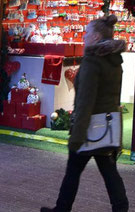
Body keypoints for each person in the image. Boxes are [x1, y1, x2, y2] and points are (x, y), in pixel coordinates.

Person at [41, 15, 129, 212]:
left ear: (96, 37)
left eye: (87, 32)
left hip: (89, 128)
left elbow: (85, 102)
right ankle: (121, 208)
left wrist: (77, 136)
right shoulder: (114, 60)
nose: (84, 36)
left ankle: (61, 209)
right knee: (109, 173)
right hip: (106, 128)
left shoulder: (92, 61)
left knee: (73, 172)